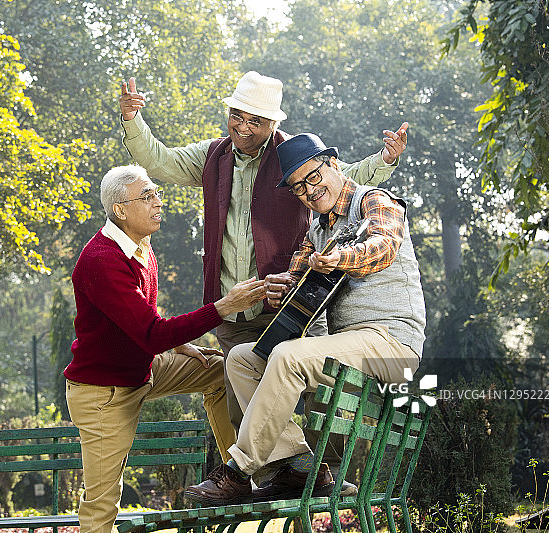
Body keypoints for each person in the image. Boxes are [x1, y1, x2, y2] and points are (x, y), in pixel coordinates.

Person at [119, 71, 409, 440]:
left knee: (318, 400)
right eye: (236, 116)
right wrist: (132, 118)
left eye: (254, 121)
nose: (242, 127)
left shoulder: (291, 157)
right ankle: (269, 473)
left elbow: (342, 176)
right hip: (235, 309)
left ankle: (326, 471)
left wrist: (384, 159)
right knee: (245, 406)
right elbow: (160, 161)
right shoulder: (212, 155)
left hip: (292, 304)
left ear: (273, 124)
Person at [183, 133, 426, 505]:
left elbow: (383, 245)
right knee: (242, 359)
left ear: (333, 164)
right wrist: (279, 290)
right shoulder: (317, 231)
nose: (309, 191)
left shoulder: (374, 200)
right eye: (298, 187)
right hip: (347, 349)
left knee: (288, 356)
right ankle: (297, 466)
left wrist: (340, 259)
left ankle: (237, 471)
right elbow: (298, 283)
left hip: (392, 344)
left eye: (313, 177)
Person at [64, 165, 266, 533]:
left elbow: (141, 317)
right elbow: (152, 333)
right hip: (104, 393)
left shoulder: (140, 245)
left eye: (157, 193)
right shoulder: (102, 260)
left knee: (221, 368)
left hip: (144, 368)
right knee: (102, 503)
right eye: (147, 196)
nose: (158, 202)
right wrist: (223, 307)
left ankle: (236, 475)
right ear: (120, 210)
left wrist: (180, 342)